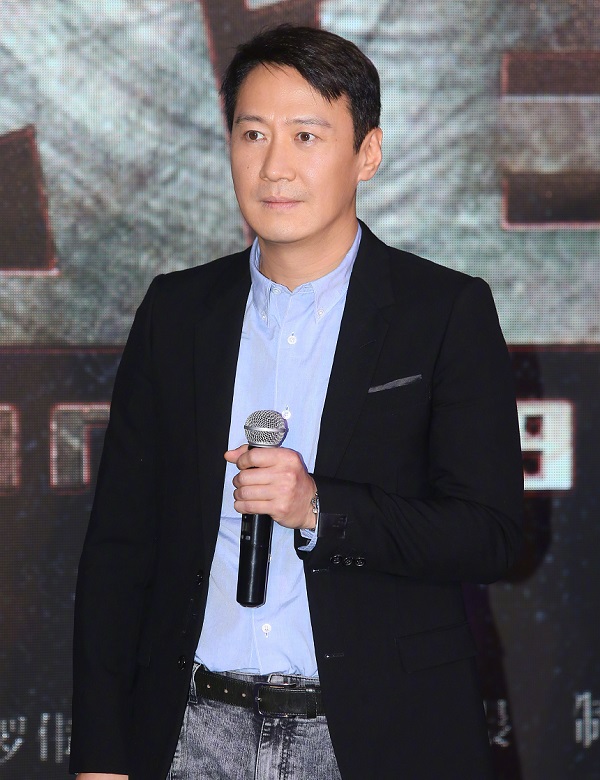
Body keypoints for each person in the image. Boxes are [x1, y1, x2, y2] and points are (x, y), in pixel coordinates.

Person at [70, 24, 523, 780]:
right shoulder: (177, 313)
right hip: (192, 731)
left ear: (367, 153)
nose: (274, 166)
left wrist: (319, 508)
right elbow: (118, 550)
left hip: (372, 735)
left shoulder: (443, 311)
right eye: (253, 134)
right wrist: (101, 758)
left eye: (306, 136)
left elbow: (491, 536)